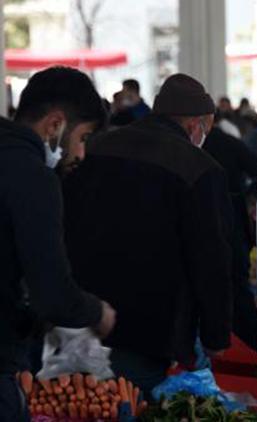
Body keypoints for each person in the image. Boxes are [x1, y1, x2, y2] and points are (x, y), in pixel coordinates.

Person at [62, 74, 233, 394]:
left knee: (84, 405)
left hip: (83, 314)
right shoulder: (199, 167)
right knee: (134, 402)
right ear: (197, 124)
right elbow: (210, 258)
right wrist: (216, 335)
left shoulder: (94, 147)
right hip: (151, 325)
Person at [0, 66, 116, 420]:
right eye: (83, 138)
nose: (81, 154)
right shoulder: (33, 176)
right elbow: (52, 293)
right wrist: (97, 312)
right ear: (55, 125)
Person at [202, 125, 257, 350]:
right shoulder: (228, 142)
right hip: (232, 222)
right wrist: (249, 198)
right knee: (237, 285)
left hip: (207, 224)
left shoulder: (185, 144)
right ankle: (250, 343)